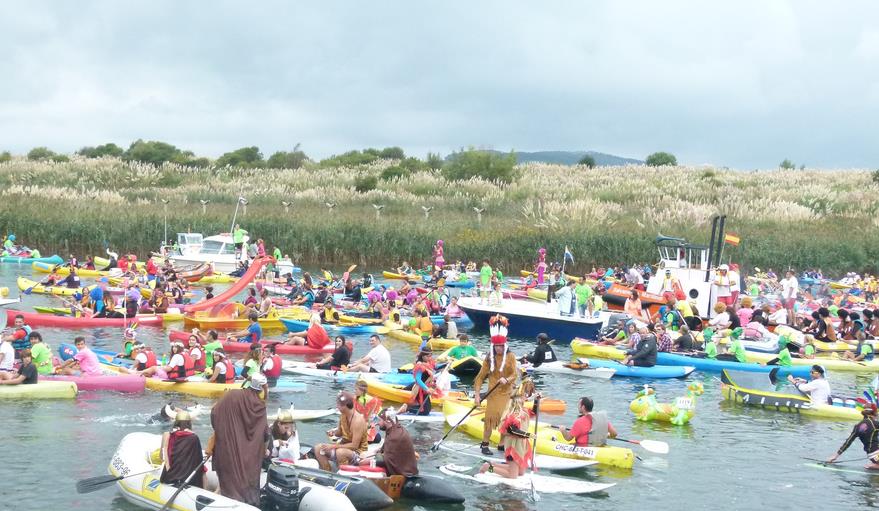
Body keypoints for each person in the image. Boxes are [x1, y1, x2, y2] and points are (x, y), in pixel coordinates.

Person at [207, 372, 268, 506]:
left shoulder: (232, 394)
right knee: (247, 475)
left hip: (229, 446)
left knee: (229, 475)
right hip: (250, 452)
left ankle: (228, 499)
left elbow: (214, 413)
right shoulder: (260, 405)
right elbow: (264, 433)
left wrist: (224, 430)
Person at [473, 315, 518, 455]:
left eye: (501, 346)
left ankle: (501, 444)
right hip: (493, 392)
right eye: (496, 346)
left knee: (506, 419)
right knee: (490, 418)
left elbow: (515, 375)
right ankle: (485, 444)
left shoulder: (511, 357)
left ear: (505, 345)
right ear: (493, 346)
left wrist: (507, 379)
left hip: (507, 393)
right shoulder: (489, 358)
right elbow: (480, 378)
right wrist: (477, 395)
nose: (499, 349)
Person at [478, 390, 532, 479]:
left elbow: (533, 412)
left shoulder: (524, 413)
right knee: (512, 476)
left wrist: (537, 401)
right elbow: (513, 431)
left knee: (521, 473)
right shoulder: (511, 417)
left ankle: (493, 464)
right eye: (523, 398)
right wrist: (529, 434)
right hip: (513, 447)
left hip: (522, 446)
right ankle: (488, 468)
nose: (525, 399)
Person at [314, 391, 368, 471]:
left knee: (340, 452)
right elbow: (339, 433)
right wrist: (333, 432)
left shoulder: (358, 421)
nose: (337, 407)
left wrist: (333, 446)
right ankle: (328, 473)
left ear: (345, 406)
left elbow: (354, 446)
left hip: (358, 453)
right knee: (318, 448)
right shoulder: (343, 415)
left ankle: (344, 476)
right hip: (343, 446)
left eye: (338, 405)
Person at [826, 402, 879, 469]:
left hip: (871, 456)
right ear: (874, 413)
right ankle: (874, 466)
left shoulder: (857, 426)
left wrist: (835, 456)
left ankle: (875, 463)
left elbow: (848, 442)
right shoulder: (875, 424)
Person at [160, 409, 204, 488]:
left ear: (176, 422)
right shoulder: (193, 437)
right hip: (187, 478)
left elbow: (163, 457)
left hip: (168, 477)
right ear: (189, 423)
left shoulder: (168, 435)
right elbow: (198, 459)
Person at [375, 408, 419, 476]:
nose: (378, 423)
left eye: (380, 420)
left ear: (387, 421)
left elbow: (387, 461)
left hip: (405, 476)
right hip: (410, 470)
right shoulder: (398, 429)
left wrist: (372, 460)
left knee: (374, 461)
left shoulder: (393, 437)